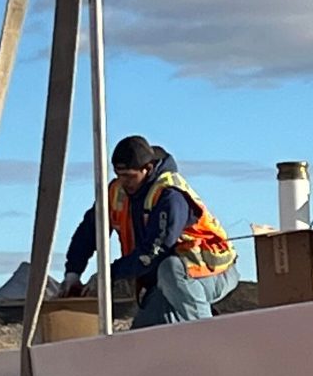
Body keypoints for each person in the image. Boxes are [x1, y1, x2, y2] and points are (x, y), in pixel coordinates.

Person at [61, 136, 239, 328]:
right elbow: (89, 231)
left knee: (170, 269)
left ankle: (210, 336)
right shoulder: (116, 192)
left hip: (212, 272)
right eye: (119, 175)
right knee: (142, 337)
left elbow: (153, 252)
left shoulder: (170, 195)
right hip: (167, 284)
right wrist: (73, 272)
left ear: (148, 169)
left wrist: (108, 273)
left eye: (129, 176)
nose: (123, 182)